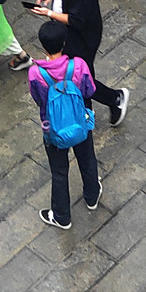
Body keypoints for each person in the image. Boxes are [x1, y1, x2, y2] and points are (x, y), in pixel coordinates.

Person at [30, 0, 129, 126]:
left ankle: (114, 99)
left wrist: (49, 14)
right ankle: (86, 108)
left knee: (83, 77)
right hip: (69, 32)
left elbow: (76, 20)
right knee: (79, 76)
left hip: (82, 38)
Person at [28, 20, 103, 228]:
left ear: (43, 46)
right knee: (87, 159)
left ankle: (61, 216)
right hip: (80, 122)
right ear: (64, 43)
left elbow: (38, 99)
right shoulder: (78, 65)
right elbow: (90, 91)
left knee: (59, 171)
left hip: (52, 128)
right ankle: (92, 195)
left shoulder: (36, 73)